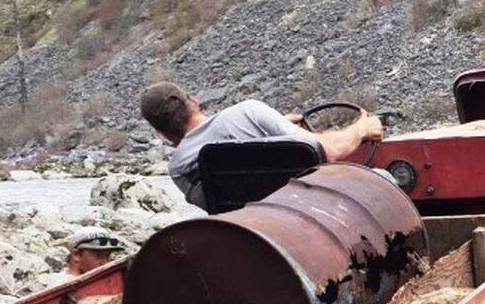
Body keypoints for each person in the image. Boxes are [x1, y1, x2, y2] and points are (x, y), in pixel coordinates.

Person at [139, 82, 383, 210]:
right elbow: (326, 152)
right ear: (194, 102)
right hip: (310, 211)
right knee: (382, 177)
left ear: (160, 132)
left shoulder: (178, 169)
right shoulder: (249, 112)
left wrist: (277, 126)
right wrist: (362, 129)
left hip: (255, 232)